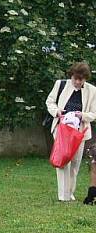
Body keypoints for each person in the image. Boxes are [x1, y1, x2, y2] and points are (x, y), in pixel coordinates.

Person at [45, 61, 96, 202]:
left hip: (79, 133)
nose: (78, 82)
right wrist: (57, 112)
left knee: (75, 162)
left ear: (86, 78)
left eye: (81, 79)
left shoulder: (92, 90)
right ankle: (63, 196)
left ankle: (70, 192)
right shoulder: (60, 84)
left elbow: (94, 113)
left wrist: (83, 115)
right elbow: (49, 102)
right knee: (62, 161)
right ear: (71, 76)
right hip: (62, 130)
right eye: (75, 78)